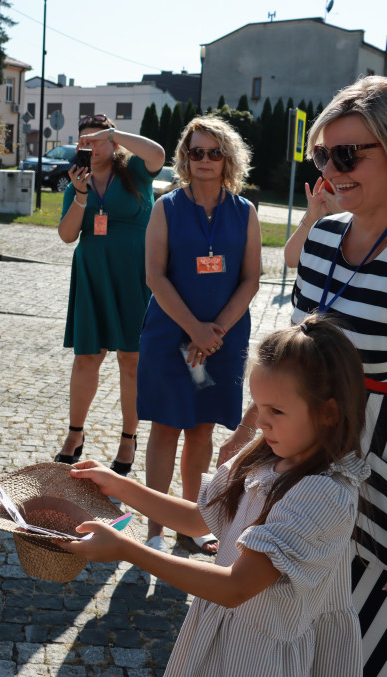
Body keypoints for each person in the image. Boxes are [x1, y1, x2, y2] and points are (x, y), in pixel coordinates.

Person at [221, 76, 387, 677]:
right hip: (317, 478)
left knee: (370, 659)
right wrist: (246, 442)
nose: (331, 169)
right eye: (323, 154)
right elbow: (294, 366)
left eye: (349, 153)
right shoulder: (324, 239)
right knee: (306, 648)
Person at [63, 316, 371, 677]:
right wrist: (119, 486)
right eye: (258, 407)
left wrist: (128, 550)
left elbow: (235, 586)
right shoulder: (265, 456)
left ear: (329, 413)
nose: (261, 424)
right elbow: (200, 519)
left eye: (277, 411)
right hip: (223, 636)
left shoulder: (322, 494)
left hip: (261, 662)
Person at [136, 115, 261, 557]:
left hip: (221, 341)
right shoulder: (166, 207)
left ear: (228, 158)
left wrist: (216, 331)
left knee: (202, 431)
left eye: (214, 151)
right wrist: (194, 330)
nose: (205, 159)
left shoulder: (244, 212)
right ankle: (154, 527)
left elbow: (251, 279)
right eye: (196, 151)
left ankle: (191, 523)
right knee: (166, 427)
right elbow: (154, 275)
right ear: (185, 158)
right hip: (172, 335)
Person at [54, 114, 165, 474]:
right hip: (92, 276)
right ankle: (74, 434)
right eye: (83, 139)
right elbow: (67, 235)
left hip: (134, 274)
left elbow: (159, 154)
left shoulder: (134, 171)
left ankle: (128, 439)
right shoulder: (77, 183)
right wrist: (82, 196)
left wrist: (114, 133)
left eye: (97, 139)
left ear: (113, 142)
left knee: (131, 360)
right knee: (87, 357)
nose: (89, 145)